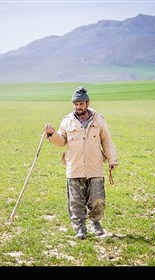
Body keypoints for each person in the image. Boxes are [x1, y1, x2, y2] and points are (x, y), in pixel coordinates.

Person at [44, 86, 118, 240]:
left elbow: (107, 140)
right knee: (76, 202)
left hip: (95, 166)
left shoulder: (99, 119)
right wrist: (52, 134)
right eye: (76, 104)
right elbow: (61, 141)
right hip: (75, 166)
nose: (79, 106)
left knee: (97, 199)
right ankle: (80, 228)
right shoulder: (66, 121)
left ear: (87, 103)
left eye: (81, 104)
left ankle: (96, 223)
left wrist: (112, 159)